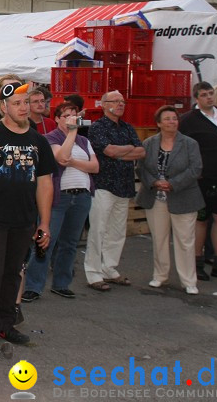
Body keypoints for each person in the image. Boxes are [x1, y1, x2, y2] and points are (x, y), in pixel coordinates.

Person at [0, 82, 55, 359]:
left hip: (24, 220)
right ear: (3, 106)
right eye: (17, 103)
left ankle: (6, 325)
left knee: (12, 274)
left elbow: (45, 184)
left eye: (26, 102)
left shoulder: (39, 141)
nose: (23, 107)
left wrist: (44, 223)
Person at [22, 103, 98, 302]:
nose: (71, 119)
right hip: (59, 196)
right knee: (46, 240)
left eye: (74, 115)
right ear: (57, 119)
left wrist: (74, 161)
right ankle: (33, 286)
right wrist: (71, 134)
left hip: (81, 196)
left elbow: (95, 166)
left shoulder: (84, 140)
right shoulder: (51, 138)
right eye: (66, 116)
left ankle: (62, 283)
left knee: (70, 243)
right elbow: (62, 157)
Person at [137, 106, 204, 295]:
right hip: (156, 198)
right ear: (158, 123)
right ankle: (160, 276)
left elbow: (195, 169)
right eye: (167, 119)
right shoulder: (149, 143)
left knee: (185, 240)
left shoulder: (190, 143)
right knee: (159, 239)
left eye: (174, 118)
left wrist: (172, 184)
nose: (172, 122)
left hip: (184, 197)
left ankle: (189, 281)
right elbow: (141, 168)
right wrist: (154, 182)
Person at [84, 91, 145, 291]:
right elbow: (108, 151)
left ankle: (109, 268)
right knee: (99, 229)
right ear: (104, 104)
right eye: (116, 101)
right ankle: (93, 273)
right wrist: (126, 150)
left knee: (117, 230)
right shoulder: (97, 127)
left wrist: (119, 152)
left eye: (122, 101)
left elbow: (141, 151)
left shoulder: (127, 127)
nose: (120, 104)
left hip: (124, 186)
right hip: (104, 185)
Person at [179, 82, 217, 281]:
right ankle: (197, 262)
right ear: (197, 98)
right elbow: (180, 146)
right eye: (204, 94)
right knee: (201, 220)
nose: (209, 97)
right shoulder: (188, 120)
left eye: (211, 93)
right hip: (201, 179)